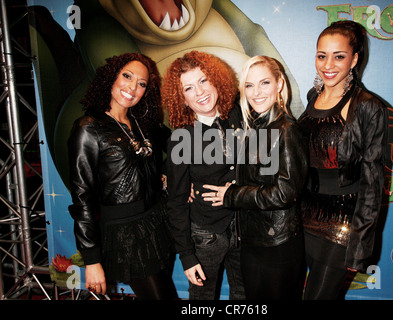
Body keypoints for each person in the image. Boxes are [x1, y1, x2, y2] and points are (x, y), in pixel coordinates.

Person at [67, 52, 178, 300]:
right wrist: (92, 260)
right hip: (125, 232)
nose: (132, 87)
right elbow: (81, 198)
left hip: (157, 220)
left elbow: (175, 147)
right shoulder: (88, 127)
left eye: (141, 83)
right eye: (127, 76)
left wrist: (166, 176)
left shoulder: (142, 123)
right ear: (111, 77)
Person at [203, 55, 308, 300]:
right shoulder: (255, 128)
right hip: (252, 240)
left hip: (277, 243)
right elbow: (259, 179)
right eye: (249, 85)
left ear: (279, 84)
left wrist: (233, 195)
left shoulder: (286, 130)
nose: (256, 92)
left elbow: (285, 192)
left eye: (264, 83)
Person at [297, 20, 388, 300]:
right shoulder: (314, 96)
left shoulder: (368, 106)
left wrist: (360, 243)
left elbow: (373, 182)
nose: (328, 64)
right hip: (303, 215)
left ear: (355, 59)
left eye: (339, 56)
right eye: (322, 55)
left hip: (342, 223)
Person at [162, 51, 245, 300]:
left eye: (204, 80)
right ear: (182, 99)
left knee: (243, 294)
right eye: (188, 88)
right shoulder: (181, 139)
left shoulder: (238, 116)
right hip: (206, 234)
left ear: (217, 81)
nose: (199, 92)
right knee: (202, 299)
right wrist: (187, 256)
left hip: (243, 226)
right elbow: (176, 203)